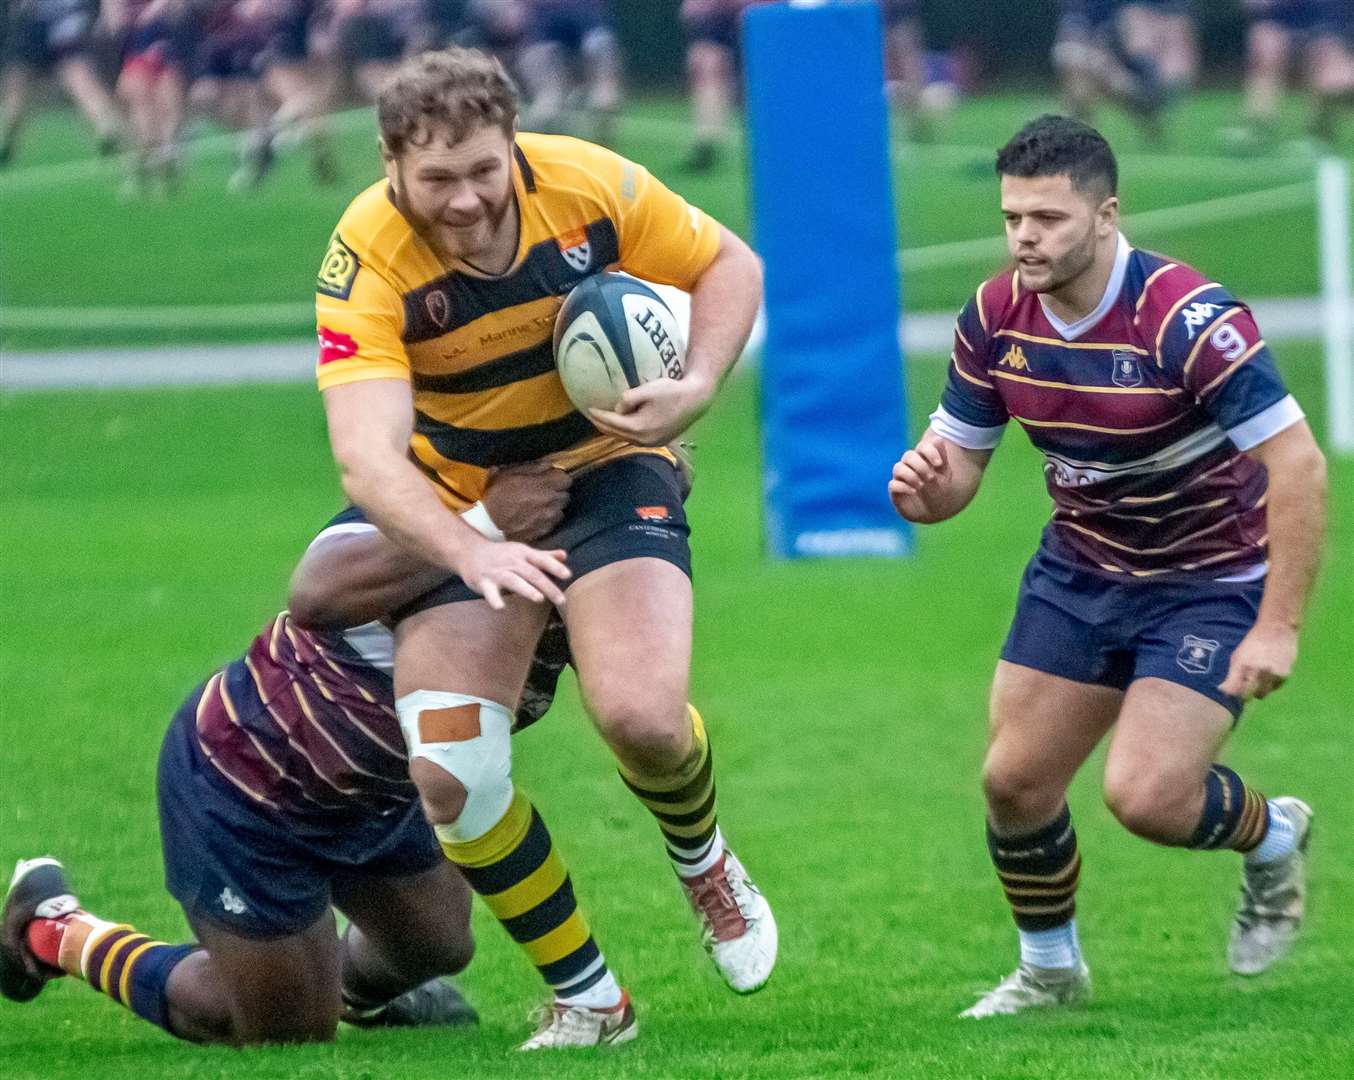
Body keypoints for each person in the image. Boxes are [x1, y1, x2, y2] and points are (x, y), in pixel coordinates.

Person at [313, 44, 774, 1047]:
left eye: (483, 168)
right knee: (449, 775)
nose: (467, 198)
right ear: (391, 162)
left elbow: (730, 264)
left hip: (605, 471)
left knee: (644, 720)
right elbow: (367, 460)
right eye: (437, 178)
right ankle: (591, 999)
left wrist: (695, 385)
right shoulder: (368, 252)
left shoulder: (588, 183)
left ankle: (704, 865)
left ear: (511, 143)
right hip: (462, 503)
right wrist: (469, 547)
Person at [888, 115, 1326, 1017]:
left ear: (1106, 214)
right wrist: (924, 492)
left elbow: (1300, 464)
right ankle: (1050, 972)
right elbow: (959, 468)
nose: (1024, 238)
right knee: (1013, 782)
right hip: (1083, 569)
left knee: (1149, 797)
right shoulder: (994, 314)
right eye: (1012, 217)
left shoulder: (1188, 320)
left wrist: (1279, 625)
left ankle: (1272, 835)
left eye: (1046, 219)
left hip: (1209, 583)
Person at [0, 468, 612, 1048]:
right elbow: (316, 590)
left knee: (439, 947)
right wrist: (483, 523)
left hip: (374, 792)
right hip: (253, 779)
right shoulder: (438, 495)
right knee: (283, 1033)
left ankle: (332, 986)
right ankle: (54, 929)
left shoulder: (598, 549)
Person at [0, 0, 125, 166]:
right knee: (20, 88)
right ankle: (107, 129)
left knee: (77, 78)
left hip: (58, 21)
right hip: (48, 22)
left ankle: (107, 130)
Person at [1229, 0, 1354, 149]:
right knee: (1265, 47)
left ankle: (1319, 133)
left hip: (1328, 19)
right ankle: (1258, 126)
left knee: (1336, 83)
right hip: (1282, 16)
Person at [516, 0, 621, 144]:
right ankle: (602, 107)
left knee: (548, 97)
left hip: (545, 20)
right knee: (603, 90)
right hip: (585, 14)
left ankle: (538, 137)